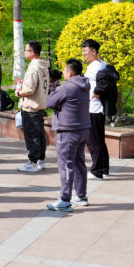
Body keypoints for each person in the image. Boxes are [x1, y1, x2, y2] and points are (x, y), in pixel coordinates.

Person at [44, 59, 91, 212]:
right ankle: (81, 196)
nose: (62, 72)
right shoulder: (84, 85)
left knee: (66, 165)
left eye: (64, 70)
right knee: (79, 163)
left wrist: (54, 95)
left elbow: (50, 102)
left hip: (68, 131)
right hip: (83, 129)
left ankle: (65, 200)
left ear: (70, 72)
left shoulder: (67, 87)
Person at [16, 41, 51, 173]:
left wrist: (19, 92)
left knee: (32, 136)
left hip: (31, 106)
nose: (24, 53)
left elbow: (29, 89)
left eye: (26, 50)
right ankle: (40, 160)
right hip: (40, 104)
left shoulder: (33, 67)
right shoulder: (43, 66)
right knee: (40, 134)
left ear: (32, 52)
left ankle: (32, 162)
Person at [82, 39, 110, 179]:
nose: (84, 54)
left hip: (94, 108)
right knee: (99, 139)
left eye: (86, 52)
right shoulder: (102, 64)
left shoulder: (94, 66)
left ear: (94, 51)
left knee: (93, 140)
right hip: (98, 108)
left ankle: (97, 170)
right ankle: (104, 169)